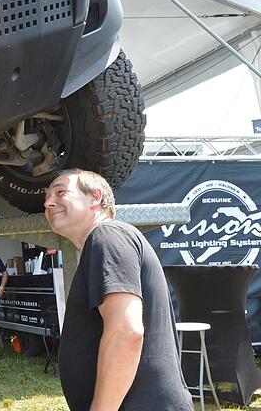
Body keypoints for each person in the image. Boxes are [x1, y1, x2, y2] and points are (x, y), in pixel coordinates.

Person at [43, 169, 193, 410]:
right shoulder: (104, 241)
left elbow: (126, 331)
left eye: (60, 192)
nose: (49, 202)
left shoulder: (107, 236)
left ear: (95, 197)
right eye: (46, 198)